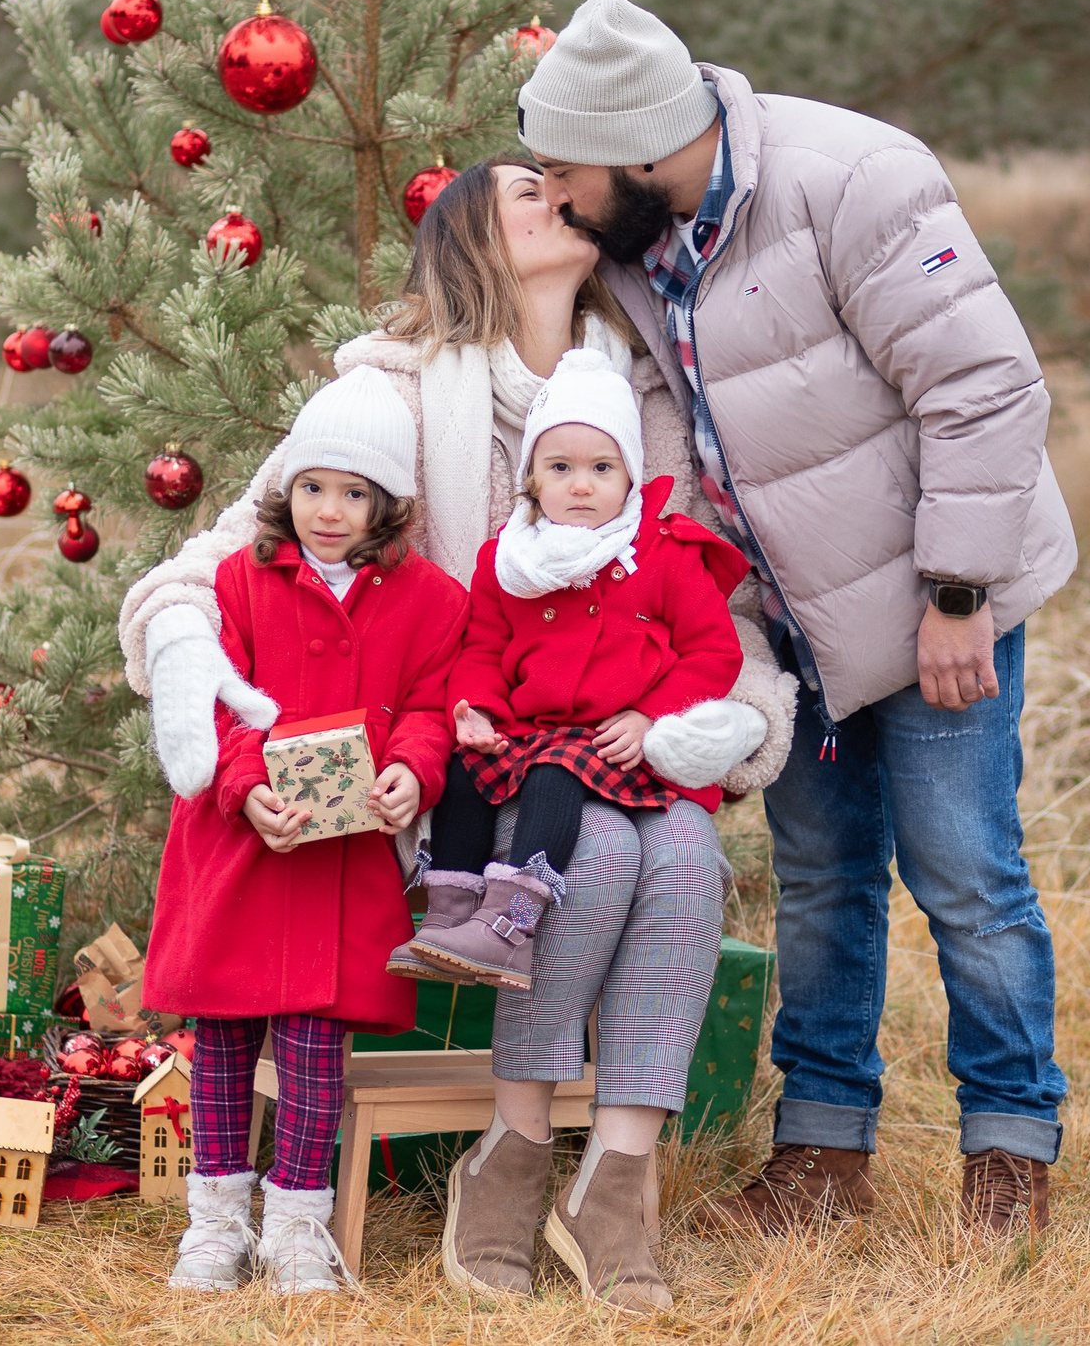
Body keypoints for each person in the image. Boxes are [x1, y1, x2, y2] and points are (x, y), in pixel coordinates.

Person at [121, 159, 798, 1301]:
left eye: (558, 183)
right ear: (474, 242)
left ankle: (615, 1178)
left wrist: (721, 720)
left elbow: (708, 600)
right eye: (524, 192)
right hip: (457, 764)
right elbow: (230, 554)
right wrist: (185, 646)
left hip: (623, 741)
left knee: (685, 856)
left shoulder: (641, 396)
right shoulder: (391, 393)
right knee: (601, 851)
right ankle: (514, 1148)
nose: (558, 196)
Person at [514, 0, 1080, 1238]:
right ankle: (823, 1155)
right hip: (785, 622)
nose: (554, 199)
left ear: (638, 146)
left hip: (934, 596)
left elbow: (985, 387)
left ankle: (1008, 1150)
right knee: (822, 880)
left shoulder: (855, 182)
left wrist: (956, 593)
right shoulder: (631, 237)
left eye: (564, 173)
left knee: (965, 872)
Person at [143, 367, 465, 1296]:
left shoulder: (431, 600)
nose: (328, 510)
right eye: (313, 486)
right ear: (287, 487)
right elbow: (220, 699)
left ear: (388, 503)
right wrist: (244, 786)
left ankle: (296, 1224)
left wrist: (413, 771)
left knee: (317, 1045)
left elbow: (429, 707)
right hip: (240, 843)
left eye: (354, 493)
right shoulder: (240, 580)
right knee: (224, 1037)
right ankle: (215, 1222)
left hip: (342, 855)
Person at [403, 347, 764, 996]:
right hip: (528, 728)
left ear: (630, 476)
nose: (580, 484)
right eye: (560, 467)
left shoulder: (664, 553)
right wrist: (477, 709)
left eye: (602, 467)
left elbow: (715, 653)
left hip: (612, 741)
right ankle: (450, 915)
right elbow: (482, 647)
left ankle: (511, 924)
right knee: (464, 769)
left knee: (554, 771)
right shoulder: (510, 560)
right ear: (532, 478)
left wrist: (652, 716)